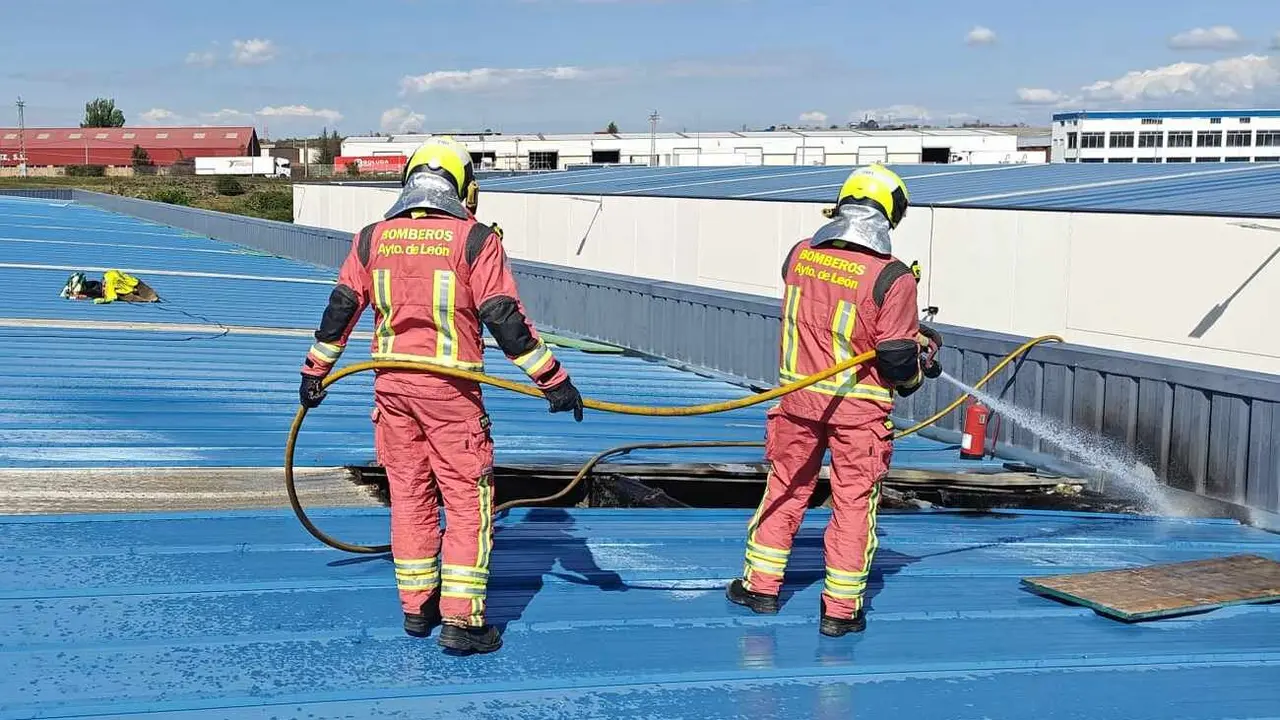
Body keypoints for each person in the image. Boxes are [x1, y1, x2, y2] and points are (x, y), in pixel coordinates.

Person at [297, 136, 585, 655]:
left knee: (408, 496)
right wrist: (554, 380)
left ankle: (417, 608)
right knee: (468, 500)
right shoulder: (474, 241)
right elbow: (503, 318)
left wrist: (315, 371)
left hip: (392, 391)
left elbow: (340, 308)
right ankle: (464, 622)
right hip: (449, 393)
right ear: (462, 186)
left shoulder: (371, 238)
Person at [725, 163, 943, 637]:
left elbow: (831, 313)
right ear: (889, 213)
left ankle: (760, 587)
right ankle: (840, 613)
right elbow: (896, 361)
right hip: (858, 415)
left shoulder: (800, 255)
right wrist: (914, 372)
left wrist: (899, 330)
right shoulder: (895, 278)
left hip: (796, 403)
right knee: (853, 504)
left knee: (785, 489)